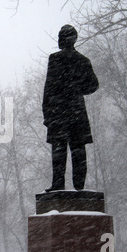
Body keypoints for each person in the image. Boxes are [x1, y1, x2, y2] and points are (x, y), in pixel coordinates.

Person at [42, 25, 99, 192]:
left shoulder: (55, 59)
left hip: (58, 111)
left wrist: (47, 113)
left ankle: (58, 185)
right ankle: (79, 186)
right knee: (78, 148)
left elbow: (49, 88)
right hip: (76, 111)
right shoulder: (82, 60)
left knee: (60, 150)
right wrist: (77, 88)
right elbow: (93, 85)